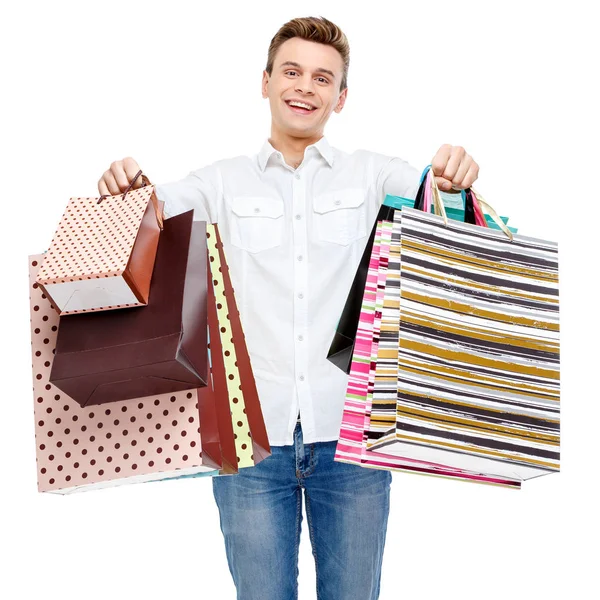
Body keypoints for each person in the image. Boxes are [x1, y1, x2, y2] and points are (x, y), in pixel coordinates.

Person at [98, 16, 480, 600]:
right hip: (251, 442)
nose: (306, 86)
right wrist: (127, 189)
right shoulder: (219, 183)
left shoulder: (374, 175)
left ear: (341, 97)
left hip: (351, 436)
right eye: (292, 71)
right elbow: (147, 215)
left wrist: (453, 182)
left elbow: (443, 209)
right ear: (266, 81)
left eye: (323, 78)